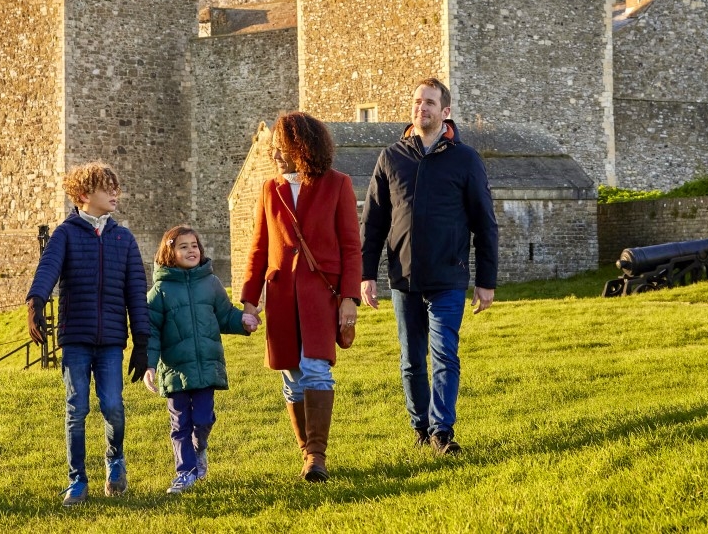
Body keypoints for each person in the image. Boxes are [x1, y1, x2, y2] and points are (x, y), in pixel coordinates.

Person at [360, 78, 498, 456]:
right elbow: (373, 223)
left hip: (448, 276)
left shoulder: (466, 159)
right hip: (403, 279)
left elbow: (485, 223)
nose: (422, 108)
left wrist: (486, 281)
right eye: (417, 101)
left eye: (430, 103)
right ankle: (420, 428)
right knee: (410, 360)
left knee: (444, 355)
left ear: (445, 112)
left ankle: (442, 431)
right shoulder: (391, 157)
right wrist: (366, 274)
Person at [240, 111, 361, 483]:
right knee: (292, 376)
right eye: (274, 148)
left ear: (301, 147)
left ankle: (317, 457)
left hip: (321, 296)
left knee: (315, 369)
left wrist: (348, 298)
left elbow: (351, 247)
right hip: (280, 298)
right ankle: (307, 453)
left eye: (281, 147)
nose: (275, 154)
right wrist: (249, 298)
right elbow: (259, 248)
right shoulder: (268, 189)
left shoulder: (337, 184)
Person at [25, 161, 149, 507]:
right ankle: (77, 481)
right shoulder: (65, 234)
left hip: (111, 341)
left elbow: (136, 292)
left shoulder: (124, 239)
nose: (114, 193)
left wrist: (142, 341)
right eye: (105, 187)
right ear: (83, 195)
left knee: (113, 407)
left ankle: (115, 460)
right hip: (75, 339)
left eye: (115, 186)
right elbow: (47, 269)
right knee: (76, 409)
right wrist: (35, 302)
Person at [142, 225, 257, 494]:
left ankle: (199, 447)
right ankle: (185, 472)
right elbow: (151, 334)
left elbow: (225, 315)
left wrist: (243, 321)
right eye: (183, 246)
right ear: (170, 253)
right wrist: (149, 364)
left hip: (206, 367)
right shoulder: (159, 292)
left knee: (204, 418)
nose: (191, 250)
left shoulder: (212, 283)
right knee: (179, 423)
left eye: (194, 245)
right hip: (174, 370)